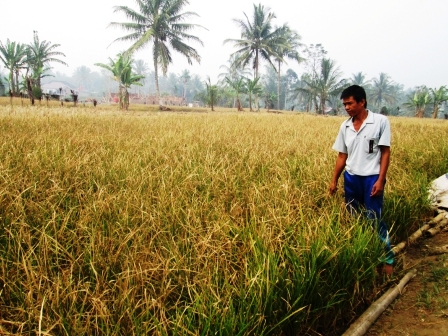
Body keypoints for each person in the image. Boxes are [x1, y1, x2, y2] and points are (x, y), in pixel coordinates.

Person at [329, 85, 394, 275]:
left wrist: (381, 180)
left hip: (371, 179)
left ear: (362, 101)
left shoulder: (380, 122)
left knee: (374, 219)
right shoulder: (345, 126)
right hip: (351, 178)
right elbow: (342, 155)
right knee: (353, 220)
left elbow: (385, 152)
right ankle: (363, 260)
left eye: (349, 103)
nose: (346, 107)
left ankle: (387, 260)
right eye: (344, 104)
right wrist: (334, 180)